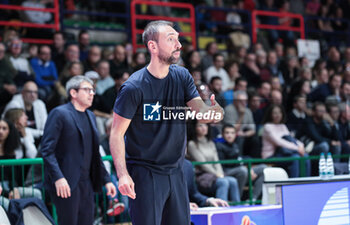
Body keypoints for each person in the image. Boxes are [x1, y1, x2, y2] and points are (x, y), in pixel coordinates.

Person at [109, 20, 224, 225]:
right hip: (146, 173)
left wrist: (215, 112)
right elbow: (116, 134)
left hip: (177, 171)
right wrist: (123, 175)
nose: (178, 45)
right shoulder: (133, 87)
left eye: (178, 39)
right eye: (171, 39)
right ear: (152, 46)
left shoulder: (182, 76)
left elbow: (201, 112)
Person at [40, 75, 116, 225]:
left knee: (87, 221)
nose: (92, 94)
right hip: (66, 182)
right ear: (73, 93)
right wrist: (58, 178)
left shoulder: (90, 116)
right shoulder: (59, 113)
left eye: (93, 90)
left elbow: (95, 154)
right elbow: (47, 151)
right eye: (87, 90)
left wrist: (106, 180)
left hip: (87, 182)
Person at [187, 121, 240, 203]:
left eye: (205, 125)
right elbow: (203, 164)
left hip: (215, 175)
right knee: (223, 182)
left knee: (233, 181)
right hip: (202, 176)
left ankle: (238, 208)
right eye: (200, 125)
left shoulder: (211, 142)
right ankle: (221, 210)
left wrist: (220, 174)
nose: (204, 128)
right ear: (194, 128)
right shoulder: (192, 144)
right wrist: (217, 175)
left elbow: (216, 161)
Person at [261, 104, 311, 177]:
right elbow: (279, 142)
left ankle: (306, 182)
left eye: (279, 112)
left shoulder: (282, 126)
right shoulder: (267, 127)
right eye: (275, 113)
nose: (278, 115)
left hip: (284, 153)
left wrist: (301, 146)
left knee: (305, 156)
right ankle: (294, 184)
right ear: (270, 114)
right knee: (295, 158)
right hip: (271, 156)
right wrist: (297, 149)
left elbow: (291, 139)